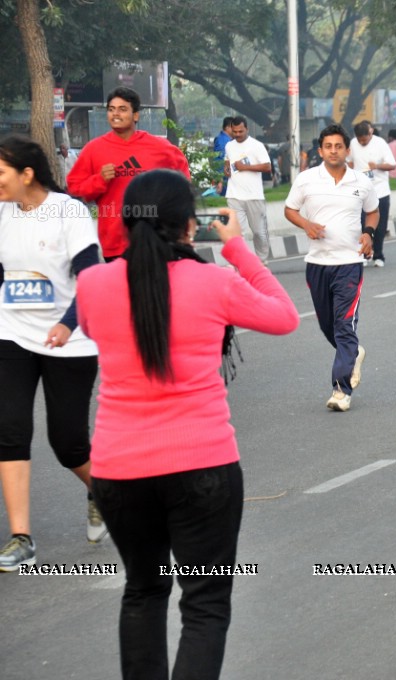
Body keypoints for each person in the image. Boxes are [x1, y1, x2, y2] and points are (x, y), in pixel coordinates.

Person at [77, 169, 298, 678]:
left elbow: (93, 327)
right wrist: (238, 249)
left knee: (143, 590)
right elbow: (284, 317)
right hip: (202, 468)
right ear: (188, 226)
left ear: (127, 221)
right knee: (204, 603)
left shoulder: (92, 285)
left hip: (118, 471)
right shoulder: (215, 280)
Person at [0, 135, 105, 572]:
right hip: (12, 333)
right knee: (9, 431)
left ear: (27, 174)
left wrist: (68, 322)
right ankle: (21, 537)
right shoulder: (2, 213)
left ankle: (103, 488)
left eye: (1, 174)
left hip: (71, 339)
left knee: (67, 442)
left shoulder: (69, 212)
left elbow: (92, 277)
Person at [285, 125, 377, 412]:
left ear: (347, 150)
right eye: (328, 146)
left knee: (344, 324)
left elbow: (372, 211)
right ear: (321, 150)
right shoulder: (306, 179)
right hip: (317, 263)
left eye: (339, 146)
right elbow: (290, 210)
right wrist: (306, 225)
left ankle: (341, 390)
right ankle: (353, 352)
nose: (334, 150)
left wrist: (368, 234)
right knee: (329, 326)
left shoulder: (361, 181)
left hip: (349, 264)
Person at [66, 87, 190, 260]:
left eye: (122, 109)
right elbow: (75, 189)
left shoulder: (159, 147)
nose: (115, 114)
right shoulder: (93, 150)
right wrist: (99, 179)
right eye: (111, 109)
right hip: (115, 242)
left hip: (156, 239)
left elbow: (183, 182)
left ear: (136, 115)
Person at [223, 116, 273, 263]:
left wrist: (245, 167)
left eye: (241, 131)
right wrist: (226, 169)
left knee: (259, 233)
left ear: (247, 129)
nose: (238, 134)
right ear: (231, 129)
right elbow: (227, 161)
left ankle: (262, 261)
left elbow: (267, 166)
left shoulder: (256, 145)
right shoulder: (229, 146)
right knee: (238, 233)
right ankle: (241, 263)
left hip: (254, 196)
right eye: (235, 131)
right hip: (234, 195)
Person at [349, 121, 396, 267]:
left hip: (380, 190)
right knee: (361, 224)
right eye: (360, 140)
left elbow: (392, 164)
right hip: (360, 190)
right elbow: (349, 162)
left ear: (370, 134)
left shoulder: (380, 143)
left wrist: (377, 166)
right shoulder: (352, 143)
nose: (362, 143)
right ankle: (364, 253)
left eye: (365, 139)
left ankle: (378, 255)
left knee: (380, 226)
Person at [212, 116, 233, 196]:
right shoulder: (222, 141)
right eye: (233, 127)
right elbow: (219, 161)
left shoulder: (227, 140)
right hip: (224, 178)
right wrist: (219, 180)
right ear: (227, 127)